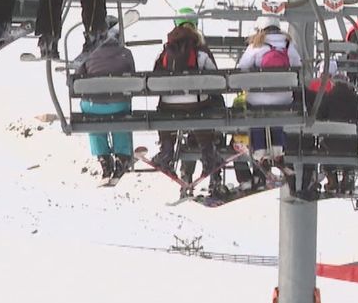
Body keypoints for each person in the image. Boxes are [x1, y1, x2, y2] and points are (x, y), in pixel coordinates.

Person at [148, 14, 225, 196]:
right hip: (196, 104)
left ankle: (166, 150)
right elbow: (216, 79)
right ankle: (208, 154)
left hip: (169, 105)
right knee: (203, 110)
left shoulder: (166, 53)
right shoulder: (201, 52)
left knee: (163, 110)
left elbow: (154, 78)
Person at [74, 27, 136, 182]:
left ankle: (104, 159)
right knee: (120, 117)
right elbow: (133, 79)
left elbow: (75, 80)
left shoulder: (88, 54)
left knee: (92, 118)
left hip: (93, 105)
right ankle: (122, 156)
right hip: (118, 104)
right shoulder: (125, 53)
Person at [236, 15, 301, 160]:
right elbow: (298, 65)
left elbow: (242, 67)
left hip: (258, 98)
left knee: (255, 111)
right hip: (283, 98)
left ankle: (259, 147)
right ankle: (278, 146)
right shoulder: (288, 44)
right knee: (277, 112)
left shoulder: (256, 45)